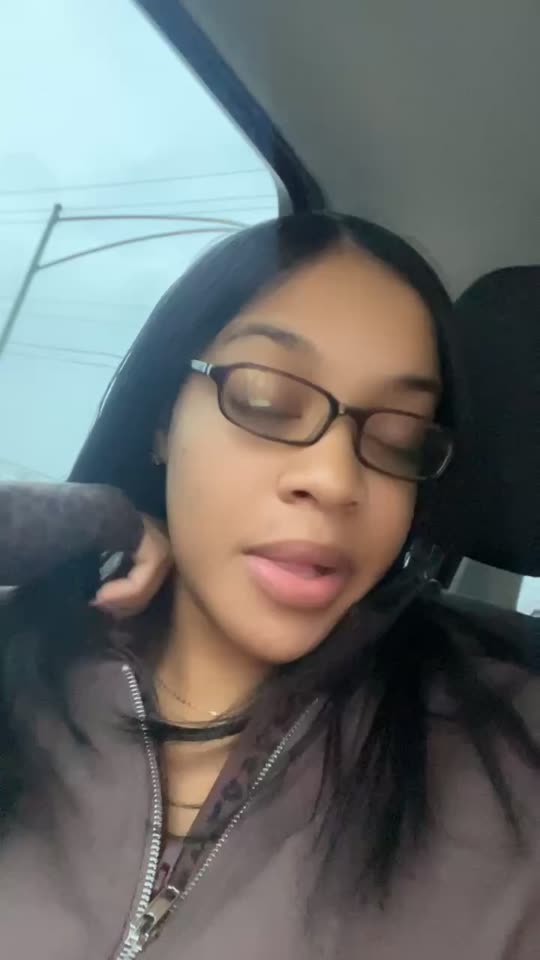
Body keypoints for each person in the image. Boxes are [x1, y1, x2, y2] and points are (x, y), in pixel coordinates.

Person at [1, 212, 539, 960]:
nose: (335, 479)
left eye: (398, 438)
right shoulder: (22, 658)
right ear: (162, 419)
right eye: (265, 400)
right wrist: (83, 519)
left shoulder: (510, 766)